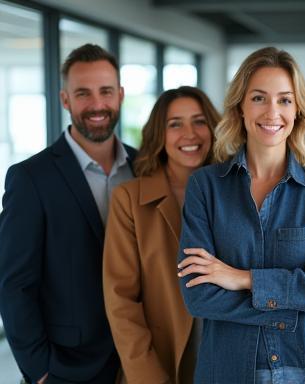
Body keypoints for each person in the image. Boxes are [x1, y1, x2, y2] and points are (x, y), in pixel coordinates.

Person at [176, 47, 305, 384]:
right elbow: (199, 296)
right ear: (240, 107)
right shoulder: (205, 187)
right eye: (259, 98)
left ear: (297, 110)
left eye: (285, 100)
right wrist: (300, 290)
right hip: (229, 372)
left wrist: (241, 278)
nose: (272, 111)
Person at [0, 44, 136, 384]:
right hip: (66, 368)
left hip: (139, 358)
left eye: (105, 91)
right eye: (82, 93)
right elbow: (14, 284)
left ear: (119, 95)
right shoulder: (31, 178)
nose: (97, 105)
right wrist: (40, 371)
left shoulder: (145, 167)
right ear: (65, 100)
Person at [103, 86, 220, 384]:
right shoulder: (129, 199)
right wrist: (148, 377)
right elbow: (121, 301)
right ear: (159, 133)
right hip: (160, 360)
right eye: (175, 124)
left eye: (199, 121)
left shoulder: (239, 191)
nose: (189, 134)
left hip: (226, 356)